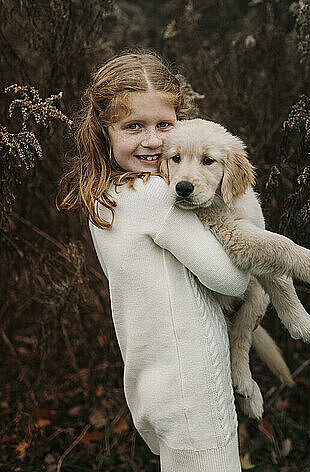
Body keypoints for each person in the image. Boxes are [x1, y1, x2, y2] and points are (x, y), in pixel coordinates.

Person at [58, 51, 250, 472]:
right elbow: (230, 281)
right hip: (192, 389)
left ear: (181, 120)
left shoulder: (106, 196)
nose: (152, 140)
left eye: (164, 125)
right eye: (133, 127)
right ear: (104, 131)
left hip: (152, 384)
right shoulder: (154, 198)